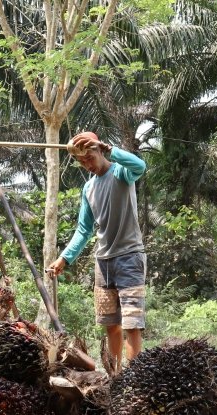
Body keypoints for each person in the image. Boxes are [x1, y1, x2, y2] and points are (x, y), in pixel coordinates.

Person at [47, 131, 147, 371]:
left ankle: (135, 381)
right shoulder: (88, 188)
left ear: (100, 151)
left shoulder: (122, 173)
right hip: (103, 263)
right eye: (82, 162)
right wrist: (64, 258)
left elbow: (140, 166)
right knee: (111, 325)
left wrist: (110, 148)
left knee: (131, 324)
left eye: (90, 157)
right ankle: (115, 376)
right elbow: (84, 230)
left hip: (129, 258)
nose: (87, 165)